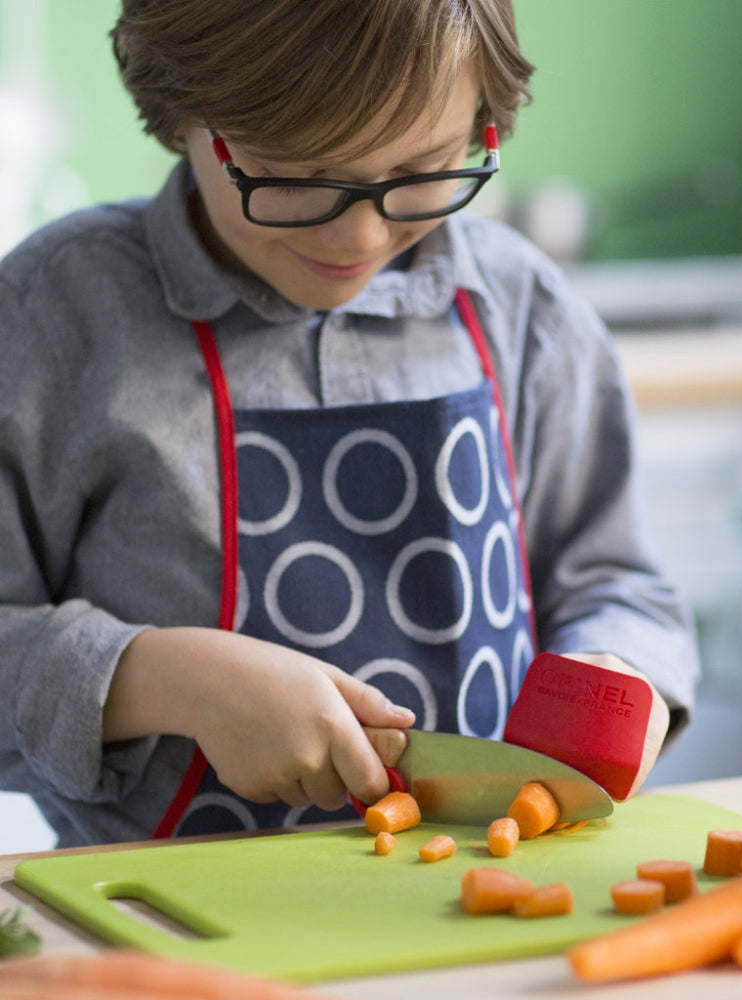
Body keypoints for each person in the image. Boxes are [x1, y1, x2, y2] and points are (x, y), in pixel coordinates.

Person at [0, 0, 699, 847]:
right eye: (296, 177)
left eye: (427, 168)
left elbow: (618, 586)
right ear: (181, 109)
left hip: (488, 886)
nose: (360, 233)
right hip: (159, 922)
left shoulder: (523, 313)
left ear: (486, 121)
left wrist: (619, 677)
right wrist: (164, 680)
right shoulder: (55, 317)